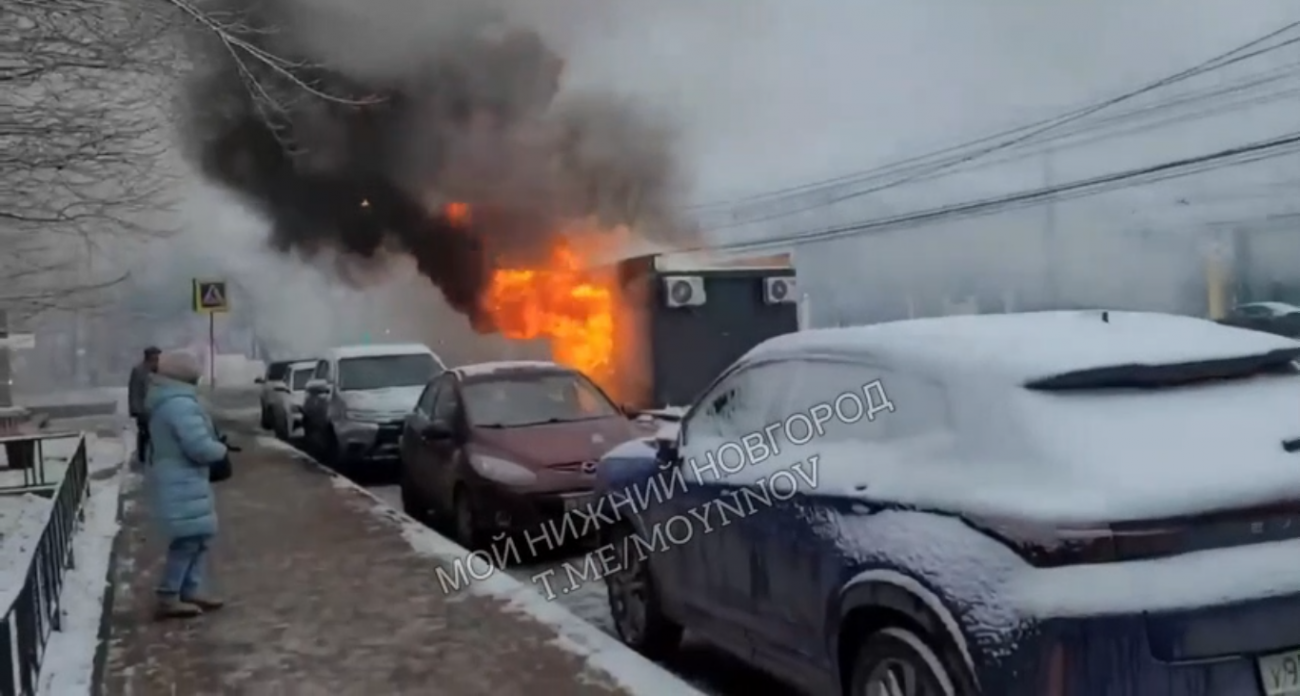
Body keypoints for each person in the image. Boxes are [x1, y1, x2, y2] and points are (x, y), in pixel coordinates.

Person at [145, 351, 229, 618]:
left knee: (198, 538)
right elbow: (198, 447)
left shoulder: (170, 401)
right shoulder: (179, 405)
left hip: (182, 478)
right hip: (181, 479)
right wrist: (220, 449)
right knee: (187, 540)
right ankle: (169, 595)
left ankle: (190, 589)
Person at [128, 347, 160, 465]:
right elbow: (134, 391)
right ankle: (142, 458)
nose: (157, 361)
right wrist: (136, 410)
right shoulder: (138, 370)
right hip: (143, 410)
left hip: (156, 409)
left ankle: (153, 457)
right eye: (154, 358)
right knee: (144, 434)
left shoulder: (159, 370)